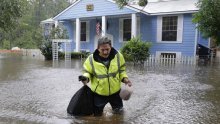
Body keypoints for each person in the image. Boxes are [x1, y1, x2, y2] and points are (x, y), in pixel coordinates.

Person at [79, 36, 132, 116]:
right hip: (99, 94)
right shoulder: (90, 59)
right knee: (97, 116)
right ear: (97, 48)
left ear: (111, 46)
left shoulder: (118, 56)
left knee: (119, 114)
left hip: (116, 93)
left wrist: (125, 79)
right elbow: (87, 72)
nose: (105, 52)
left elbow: (121, 70)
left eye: (107, 49)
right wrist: (85, 78)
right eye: (102, 50)